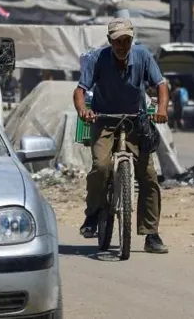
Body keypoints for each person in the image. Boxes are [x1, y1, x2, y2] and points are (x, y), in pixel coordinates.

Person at [73, 19, 169, 254]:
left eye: (126, 40)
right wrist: (83, 111)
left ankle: (151, 233)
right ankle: (93, 214)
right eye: (118, 41)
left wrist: (162, 110)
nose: (122, 45)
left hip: (135, 120)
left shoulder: (143, 56)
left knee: (148, 176)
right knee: (101, 167)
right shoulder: (97, 58)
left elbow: (161, 85)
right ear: (110, 41)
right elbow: (79, 91)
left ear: (131, 40)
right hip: (104, 120)